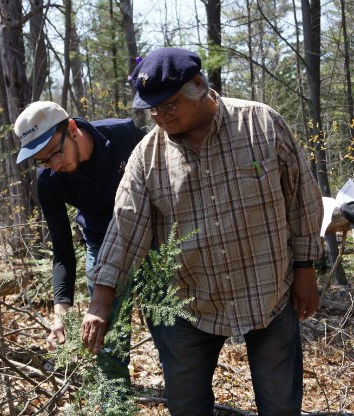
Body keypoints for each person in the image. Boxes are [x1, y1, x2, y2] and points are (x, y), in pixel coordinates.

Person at [81, 47, 324, 416]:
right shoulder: (148, 157)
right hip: (192, 302)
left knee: (280, 406)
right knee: (187, 406)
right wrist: (101, 301)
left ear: (199, 85)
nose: (160, 117)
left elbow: (301, 198)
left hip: (269, 290)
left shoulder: (261, 124)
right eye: (153, 109)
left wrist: (306, 268)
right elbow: (124, 227)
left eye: (170, 105)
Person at [14, 101, 145, 377]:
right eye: (43, 160)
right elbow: (62, 252)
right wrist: (61, 314)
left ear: (72, 128)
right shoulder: (49, 180)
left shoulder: (123, 135)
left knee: (171, 327)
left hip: (149, 235)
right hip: (100, 244)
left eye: (54, 153)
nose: (54, 165)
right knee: (106, 337)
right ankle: (114, 402)